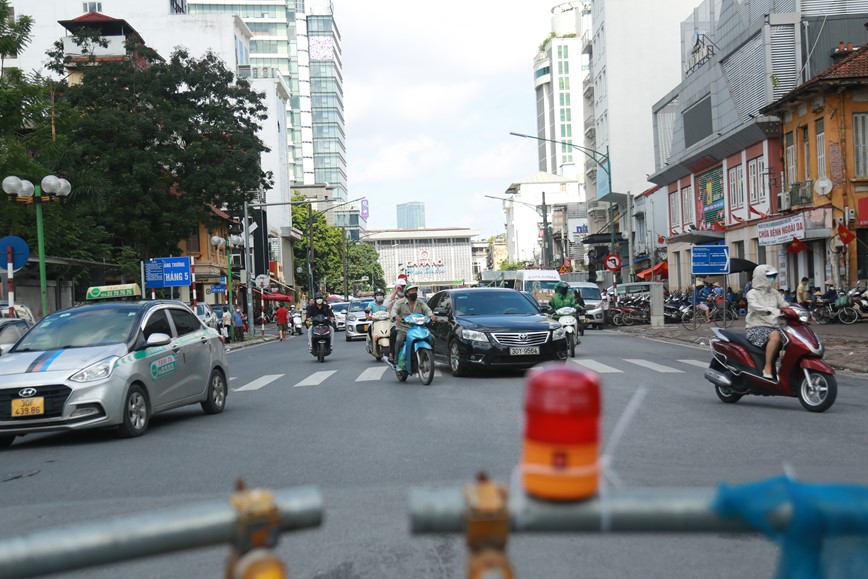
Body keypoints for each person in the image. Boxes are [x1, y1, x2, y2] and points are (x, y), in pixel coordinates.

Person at [745, 265, 789, 379]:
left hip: (775, 326)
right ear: (761, 277)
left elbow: (784, 304)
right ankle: (768, 367)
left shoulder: (774, 292)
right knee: (775, 337)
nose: (772, 279)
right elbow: (755, 306)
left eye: (774, 276)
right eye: (769, 276)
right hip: (756, 327)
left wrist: (796, 310)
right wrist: (770, 310)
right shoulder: (752, 293)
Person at [389, 282, 435, 365]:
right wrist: (396, 317)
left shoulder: (420, 302)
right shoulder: (400, 302)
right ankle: (396, 360)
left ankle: (430, 358)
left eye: (415, 291)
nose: (414, 292)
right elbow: (393, 310)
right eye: (412, 291)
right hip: (404, 329)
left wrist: (431, 316)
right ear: (406, 293)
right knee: (399, 340)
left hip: (419, 328)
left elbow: (427, 310)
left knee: (432, 338)